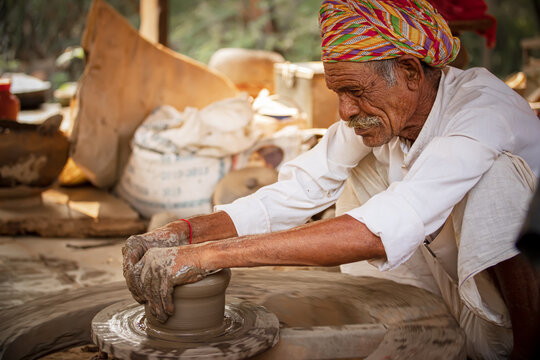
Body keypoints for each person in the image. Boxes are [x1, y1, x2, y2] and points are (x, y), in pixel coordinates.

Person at [122, 1, 540, 359]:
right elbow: (296, 190)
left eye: (355, 91)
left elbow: (379, 230)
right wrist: (183, 234)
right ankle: (418, 334)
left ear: (411, 72)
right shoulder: (385, 118)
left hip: (514, 314)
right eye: (337, 92)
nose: (343, 111)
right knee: (359, 167)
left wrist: (208, 257)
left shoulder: (482, 114)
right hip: (458, 300)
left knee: (497, 179)